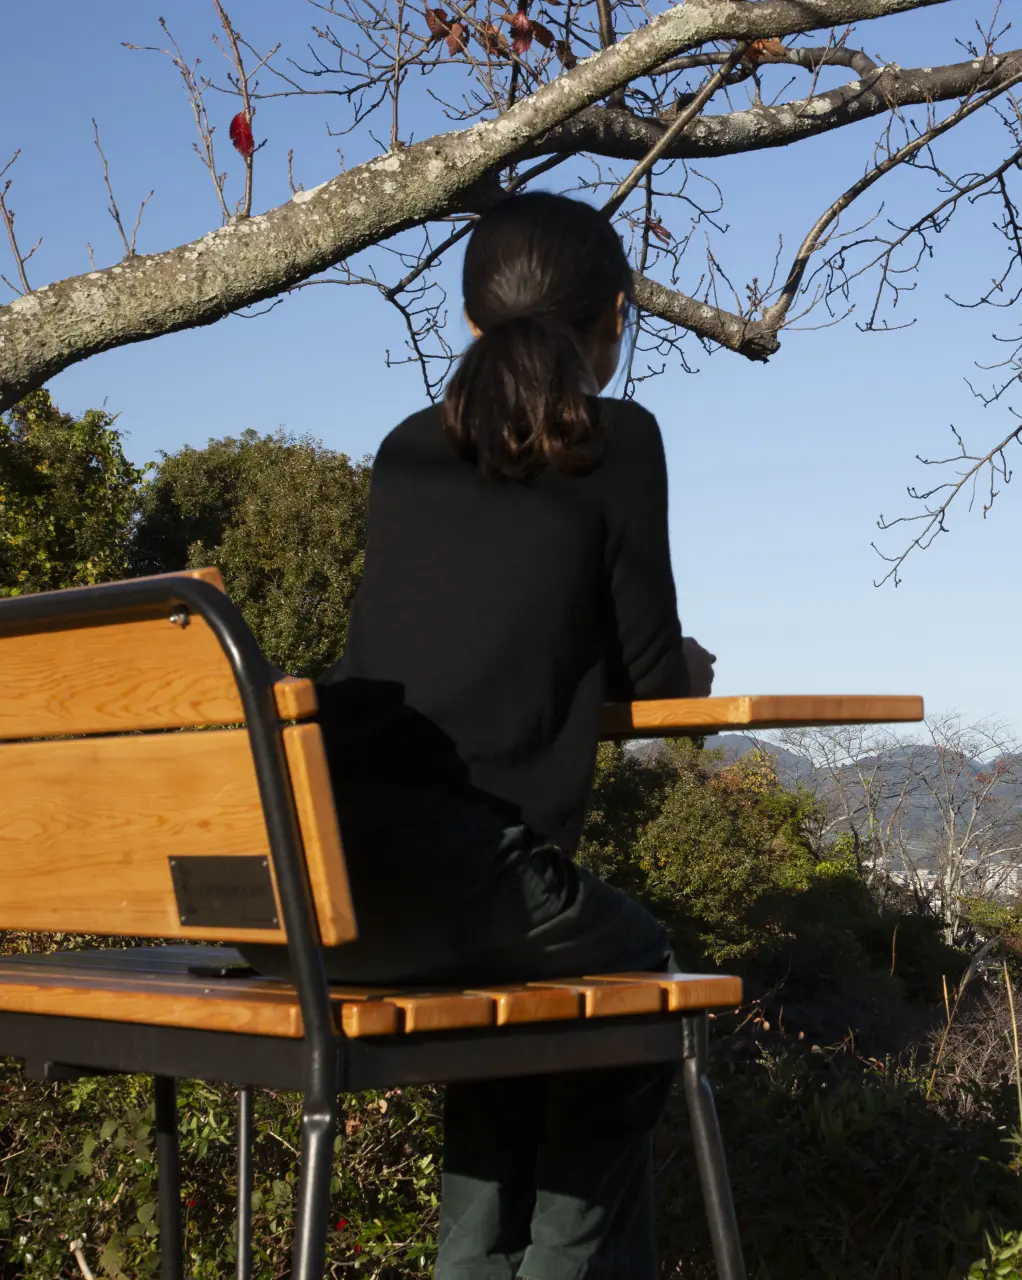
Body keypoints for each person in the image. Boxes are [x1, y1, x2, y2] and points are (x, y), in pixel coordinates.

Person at [240, 191, 712, 1280]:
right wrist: (682, 670)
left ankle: (475, 1265)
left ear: (467, 323)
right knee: (640, 970)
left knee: (511, 990)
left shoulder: (408, 446)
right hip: (452, 869)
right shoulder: (618, 436)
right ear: (616, 319)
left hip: (309, 880)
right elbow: (652, 678)